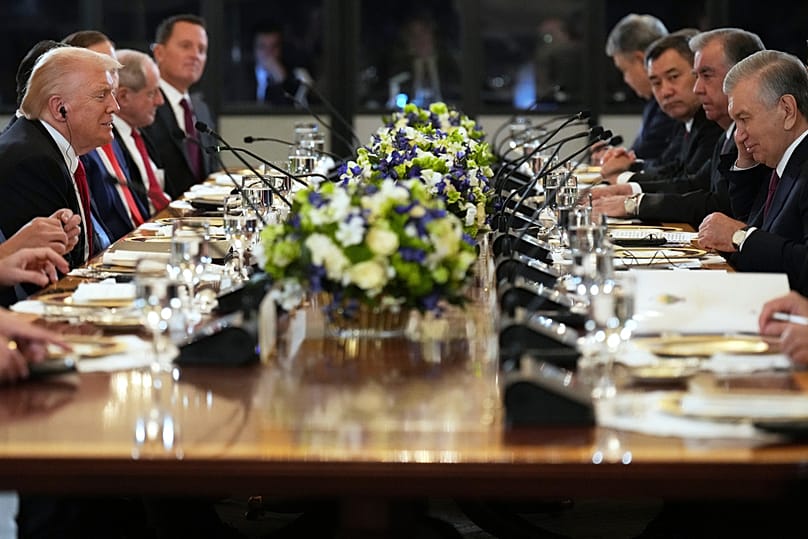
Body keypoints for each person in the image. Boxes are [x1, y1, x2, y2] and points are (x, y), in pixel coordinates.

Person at [590, 29, 764, 226]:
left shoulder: (736, 132)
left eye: (706, 75)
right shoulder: (726, 133)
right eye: (697, 76)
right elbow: (694, 182)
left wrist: (634, 203)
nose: (697, 88)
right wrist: (629, 191)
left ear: (743, 76)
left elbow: (720, 204)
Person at [0, 46, 121, 270]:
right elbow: (55, 273)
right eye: (101, 95)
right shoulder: (32, 162)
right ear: (59, 108)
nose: (115, 106)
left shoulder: (54, 146)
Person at [698, 50, 808, 290]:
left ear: (787, 110)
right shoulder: (783, 162)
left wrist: (739, 237)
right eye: (735, 122)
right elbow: (754, 223)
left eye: (744, 118)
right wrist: (746, 162)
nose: (738, 136)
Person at [64, 30, 149, 246]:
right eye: (102, 70)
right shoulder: (78, 143)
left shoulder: (113, 132)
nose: (110, 80)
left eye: (113, 70)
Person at [144, 13, 217, 199]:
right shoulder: (145, 106)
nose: (195, 55)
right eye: (186, 46)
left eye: (202, 49)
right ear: (159, 53)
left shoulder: (201, 109)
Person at [595, 14, 676, 165]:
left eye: (624, 70)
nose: (625, 80)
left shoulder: (672, 105)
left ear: (641, 60)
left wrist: (618, 162)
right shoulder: (653, 104)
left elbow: (643, 159)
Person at [112, 49, 172, 216]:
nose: (160, 101)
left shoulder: (140, 132)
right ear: (123, 97)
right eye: (152, 93)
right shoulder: (108, 141)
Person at [245, 20, 311, 106]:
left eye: (274, 47)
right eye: (262, 47)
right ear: (254, 49)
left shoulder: (295, 77)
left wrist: (282, 81)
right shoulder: (241, 78)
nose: (268, 53)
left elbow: (295, 109)